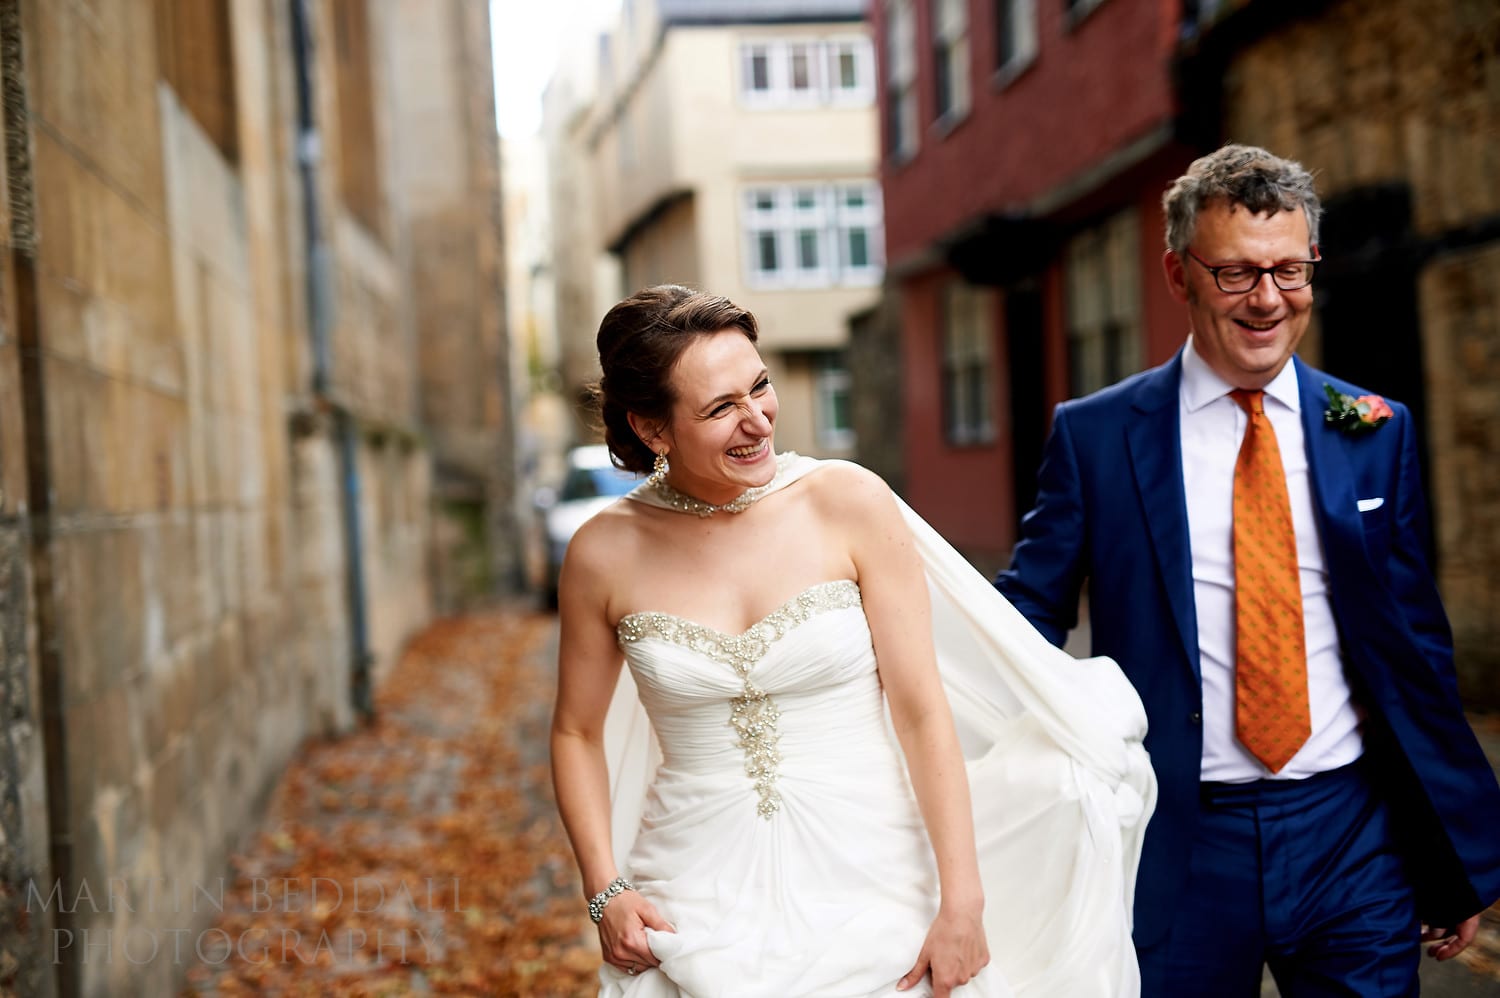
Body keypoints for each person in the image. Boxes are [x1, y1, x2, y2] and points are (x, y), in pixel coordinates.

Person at [550, 285, 1156, 997]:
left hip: (877, 879)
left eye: (760, 387)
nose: (757, 420)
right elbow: (575, 732)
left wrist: (962, 900)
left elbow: (921, 710)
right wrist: (605, 890)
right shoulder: (603, 553)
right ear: (653, 430)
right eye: (721, 408)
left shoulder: (848, 503)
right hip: (690, 891)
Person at [995, 143, 1500, 995]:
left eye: (1290, 271)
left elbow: (1416, 648)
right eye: (1235, 274)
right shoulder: (1097, 437)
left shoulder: (1373, 427)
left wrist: (1450, 848)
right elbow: (1022, 628)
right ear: (1177, 273)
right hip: (1180, 845)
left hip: (1354, 836)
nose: (1268, 300)